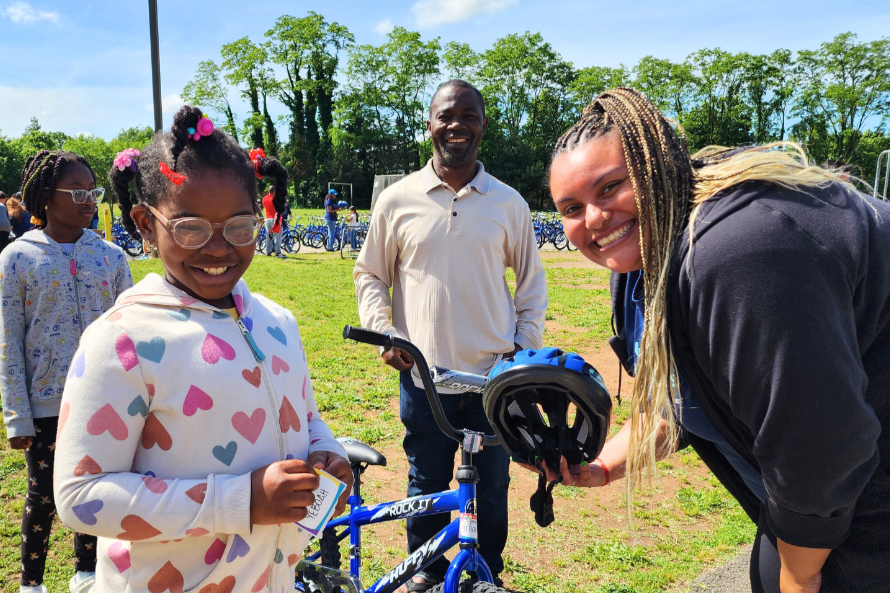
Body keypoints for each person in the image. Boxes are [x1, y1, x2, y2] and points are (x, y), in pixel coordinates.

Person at [538, 88, 890, 593]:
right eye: (571, 208)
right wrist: (600, 468)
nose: (593, 218)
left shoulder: (736, 250)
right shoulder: (640, 267)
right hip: (818, 506)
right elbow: (678, 403)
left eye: (610, 186)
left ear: (657, 168)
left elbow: (821, 447)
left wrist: (800, 574)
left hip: (857, 503)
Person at [52, 105, 352, 593]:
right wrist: (240, 501)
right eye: (189, 227)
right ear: (145, 224)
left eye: (239, 225)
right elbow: (80, 496)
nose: (218, 248)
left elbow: (307, 417)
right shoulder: (122, 340)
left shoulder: (277, 322)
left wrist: (326, 451)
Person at [354, 80, 548, 591]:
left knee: (493, 484)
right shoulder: (397, 200)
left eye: (468, 115)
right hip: (424, 377)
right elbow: (370, 273)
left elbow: (531, 284)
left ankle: (485, 576)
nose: (456, 125)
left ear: (483, 125)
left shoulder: (508, 203)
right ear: (430, 125)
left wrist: (521, 350)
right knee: (426, 481)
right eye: (446, 115)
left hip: (493, 379)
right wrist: (384, 332)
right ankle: (427, 572)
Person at [0, 150, 134, 593]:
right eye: (76, 192)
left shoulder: (112, 258)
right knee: (42, 494)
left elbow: (131, 332)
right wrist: (16, 415)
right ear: (44, 197)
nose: (88, 201)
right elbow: (9, 341)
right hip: (45, 405)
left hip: (104, 399)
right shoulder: (16, 259)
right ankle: (31, 584)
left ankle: (88, 574)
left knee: (96, 487)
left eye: (93, 192)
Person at [262, 184, 285, 258]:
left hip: (267, 218)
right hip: (275, 218)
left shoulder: (264, 199)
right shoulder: (274, 199)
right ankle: (278, 252)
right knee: (278, 235)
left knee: (269, 236)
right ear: (274, 192)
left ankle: (268, 251)